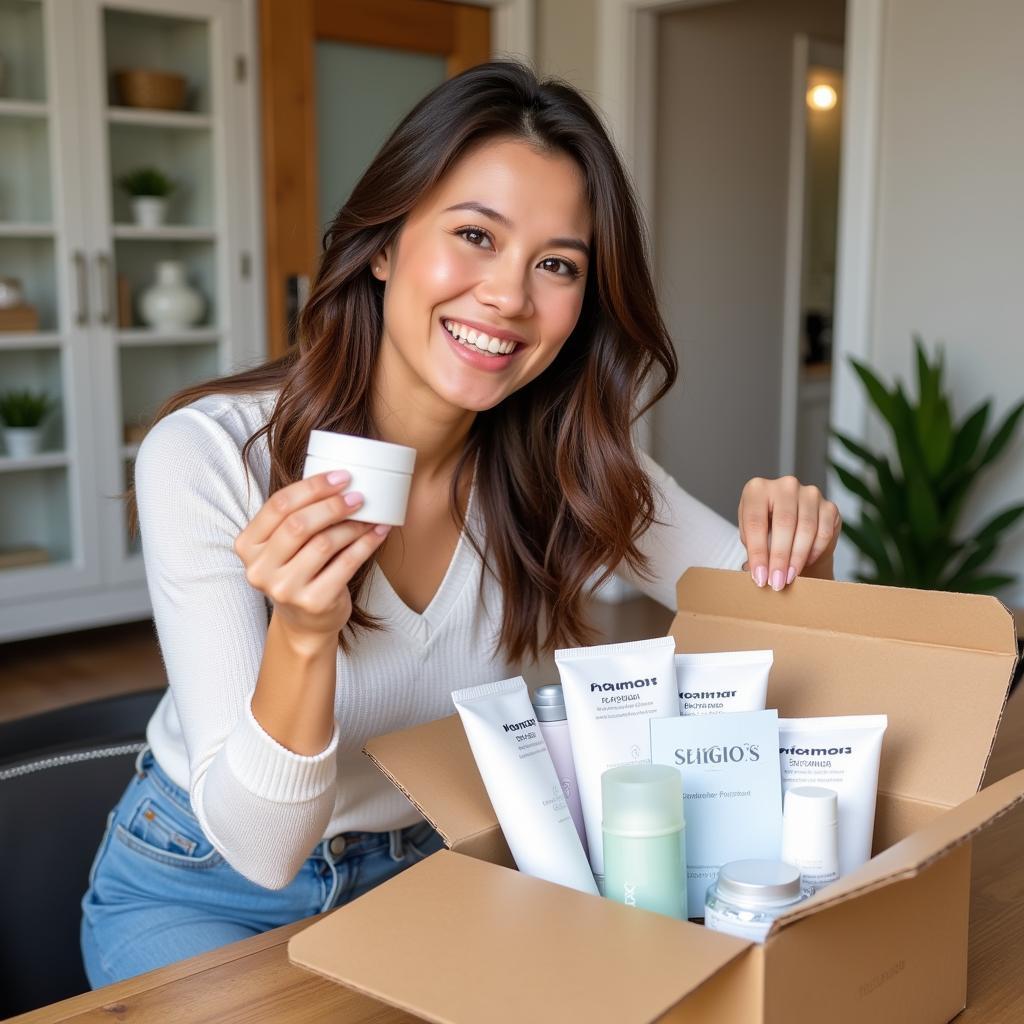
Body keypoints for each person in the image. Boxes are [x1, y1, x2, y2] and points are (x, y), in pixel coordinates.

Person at [80, 60, 840, 986]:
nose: (509, 297)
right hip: (203, 886)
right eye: (475, 235)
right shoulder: (209, 456)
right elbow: (262, 848)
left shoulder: (567, 459)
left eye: (556, 264)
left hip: (440, 868)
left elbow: (786, 632)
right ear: (386, 243)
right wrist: (305, 637)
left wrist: (800, 551)